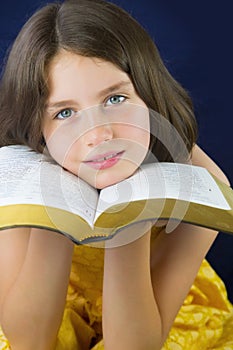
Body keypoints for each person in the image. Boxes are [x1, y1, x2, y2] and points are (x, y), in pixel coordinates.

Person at [0, 0, 232, 349]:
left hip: (150, 311)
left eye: (115, 99)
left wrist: (130, 216)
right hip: (56, 306)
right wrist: (54, 216)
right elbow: (29, 342)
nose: (98, 135)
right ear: (38, 129)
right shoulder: (23, 171)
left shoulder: (202, 182)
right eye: (64, 113)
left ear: (149, 95)